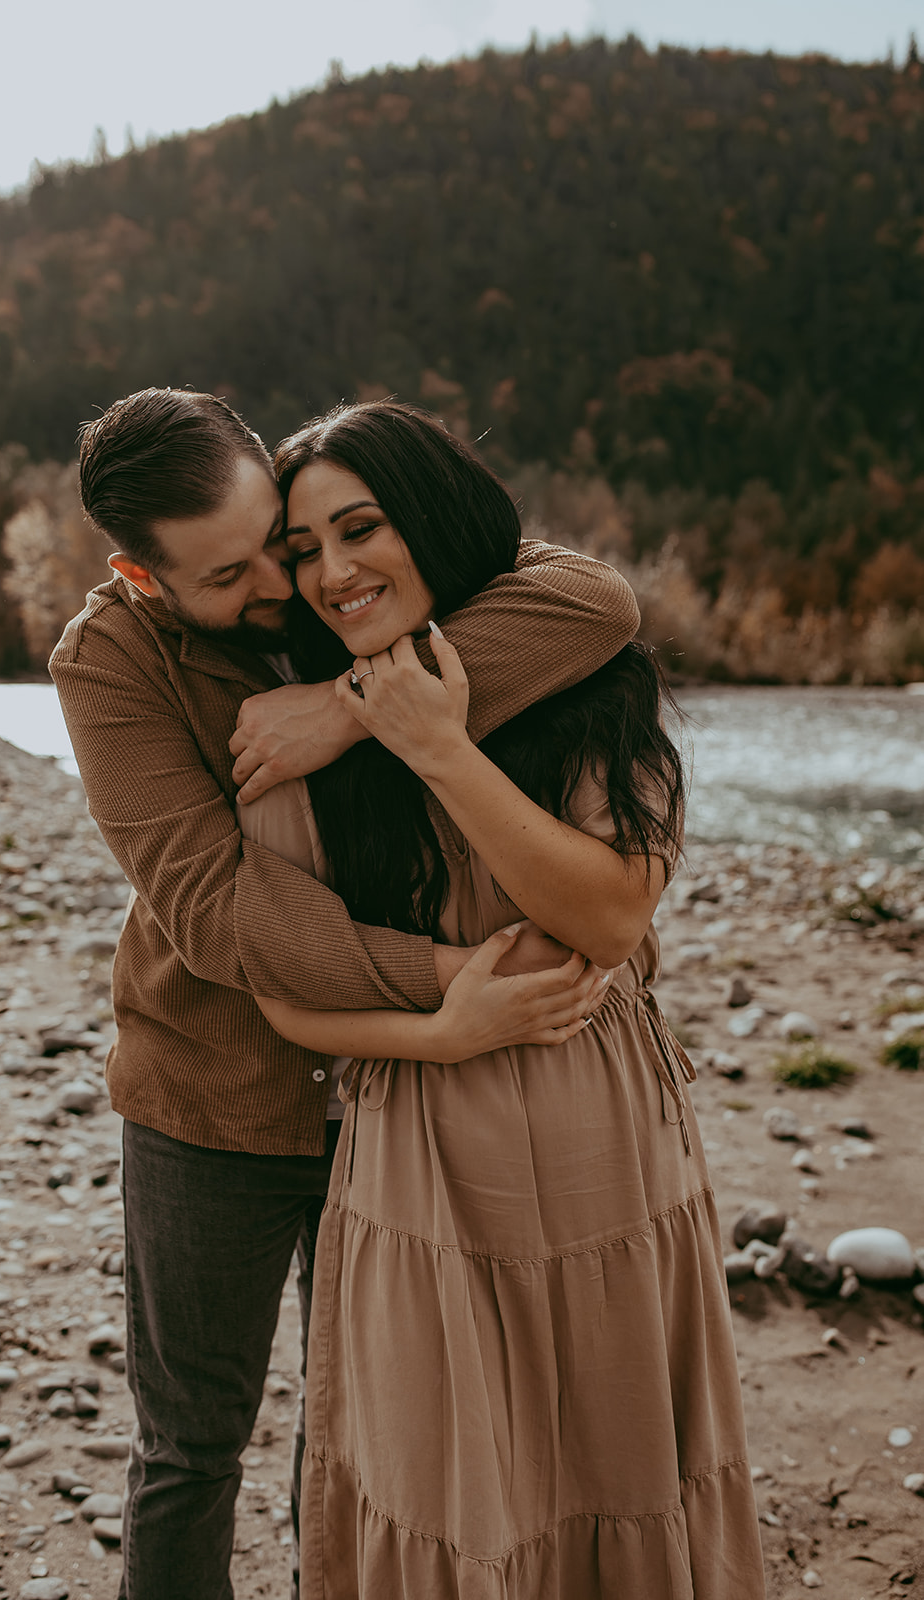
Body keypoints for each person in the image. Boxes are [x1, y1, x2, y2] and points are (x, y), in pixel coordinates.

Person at [47, 386, 643, 1600]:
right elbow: (217, 910)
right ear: (145, 576)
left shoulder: (343, 565)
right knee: (189, 1446)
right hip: (210, 1097)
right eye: (230, 577)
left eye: (276, 535)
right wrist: (447, 991)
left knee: (370, 1442)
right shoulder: (108, 661)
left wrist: (342, 707)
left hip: (395, 1107)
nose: (281, 583)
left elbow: (598, 602)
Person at [238, 400, 766, 1599]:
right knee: (442, 1483)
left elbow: (610, 917)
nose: (332, 570)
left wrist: (434, 745)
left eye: (359, 527)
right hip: (419, 1153)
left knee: (617, 1461)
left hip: (606, 1140)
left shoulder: (587, 687)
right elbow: (286, 997)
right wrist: (443, 1027)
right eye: (304, 549)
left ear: (429, 516)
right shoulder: (288, 744)